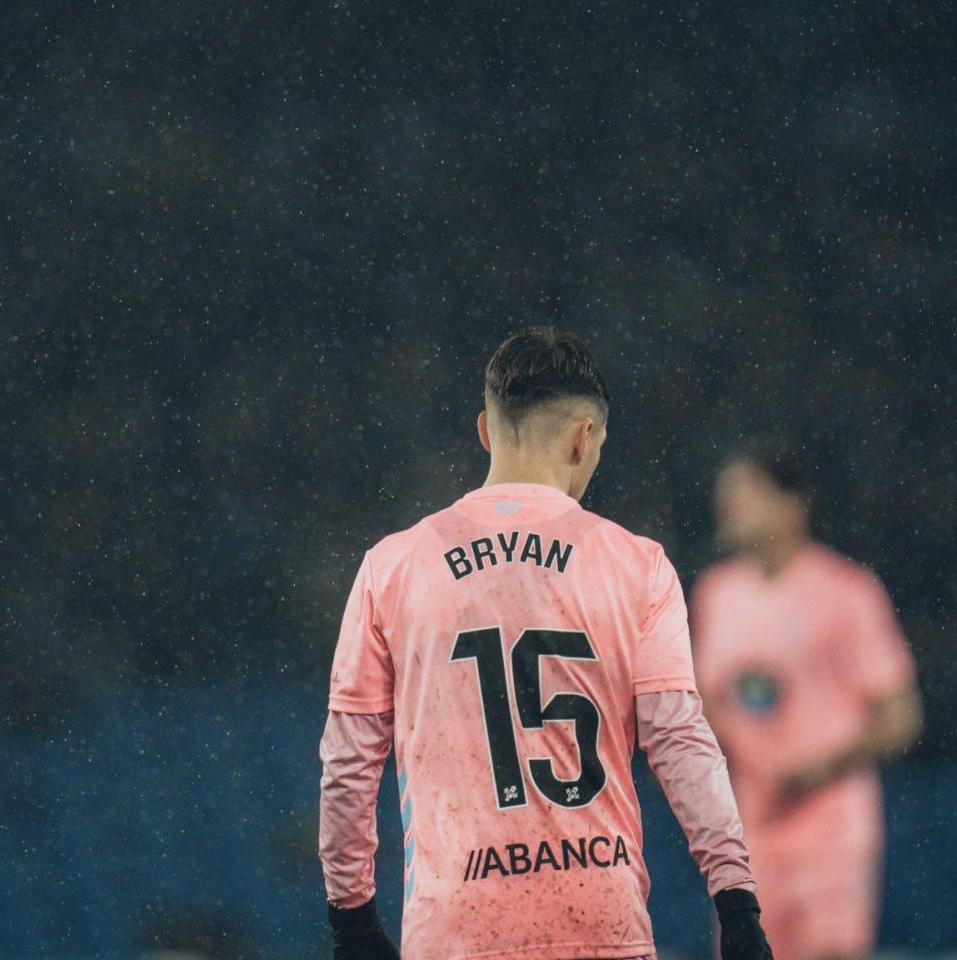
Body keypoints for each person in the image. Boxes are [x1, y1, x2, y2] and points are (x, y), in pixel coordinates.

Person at [318, 329, 773, 960]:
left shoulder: (393, 568)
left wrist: (353, 918)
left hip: (457, 932)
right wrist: (735, 896)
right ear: (585, 437)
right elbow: (679, 739)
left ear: (485, 430)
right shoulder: (637, 566)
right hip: (600, 925)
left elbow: (348, 759)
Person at [690, 449, 924, 960]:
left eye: (744, 493)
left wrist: (819, 769)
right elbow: (705, 703)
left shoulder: (848, 592)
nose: (727, 506)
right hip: (750, 833)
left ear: (791, 504)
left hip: (831, 828)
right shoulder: (717, 593)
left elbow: (901, 717)